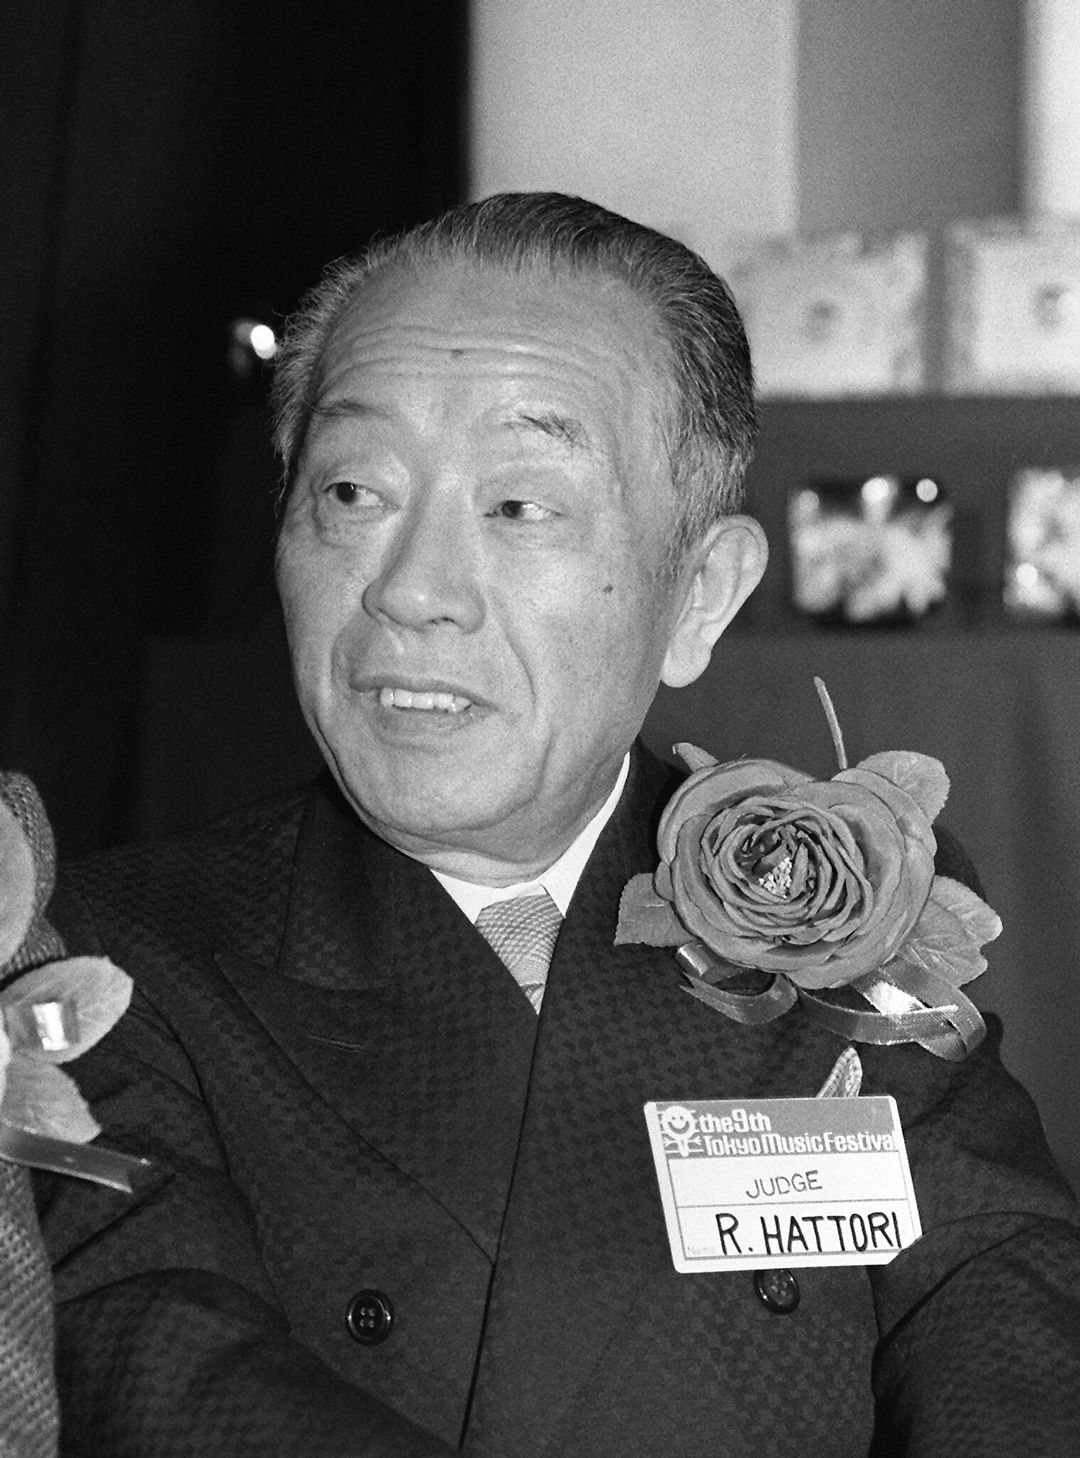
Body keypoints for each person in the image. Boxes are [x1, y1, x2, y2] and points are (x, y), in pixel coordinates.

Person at [36, 194, 1080, 1456]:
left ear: (700, 597)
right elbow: (162, 1359)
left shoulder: (840, 899)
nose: (412, 590)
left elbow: (1001, 1289)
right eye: (353, 490)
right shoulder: (103, 958)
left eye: (521, 506)